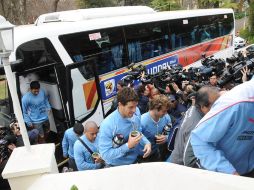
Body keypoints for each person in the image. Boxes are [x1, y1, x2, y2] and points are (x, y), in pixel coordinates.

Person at [190, 78, 254, 176]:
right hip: (229, 173)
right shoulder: (235, 103)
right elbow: (199, 139)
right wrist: (229, 172)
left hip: (248, 166)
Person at [99, 87, 151, 167]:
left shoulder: (136, 112)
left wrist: (146, 143)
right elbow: (105, 154)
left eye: (135, 106)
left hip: (134, 161)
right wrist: (128, 146)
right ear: (120, 105)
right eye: (130, 107)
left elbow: (138, 132)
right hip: (115, 166)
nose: (134, 110)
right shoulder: (108, 125)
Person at [169, 86, 220, 165]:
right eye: (215, 104)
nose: (219, 107)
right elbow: (189, 161)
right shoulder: (196, 125)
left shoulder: (193, 108)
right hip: (180, 167)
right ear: (203, 107)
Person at [141, 94, 171, 161]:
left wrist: (166, 137)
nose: (166, 113)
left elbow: (169, 133)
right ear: (155, 108)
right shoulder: (142, 121)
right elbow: (136, 135)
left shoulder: (167, 118)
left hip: (155, 153)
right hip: (141, 155)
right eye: (163, 111)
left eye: (166, 111)